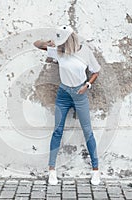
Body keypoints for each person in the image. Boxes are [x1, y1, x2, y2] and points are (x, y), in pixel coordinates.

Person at [33, 25, 101, 185]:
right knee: (57, 131)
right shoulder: (58, 51)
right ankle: (52, 171)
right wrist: (47, 42)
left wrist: (87, 86)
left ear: (71, 39)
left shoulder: (85, 52)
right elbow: (36, 44)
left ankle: (96, 171)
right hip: (63, 94)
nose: (60, 44)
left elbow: (96, 71)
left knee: (88, 131)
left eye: (63, 41)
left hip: (80, 94)